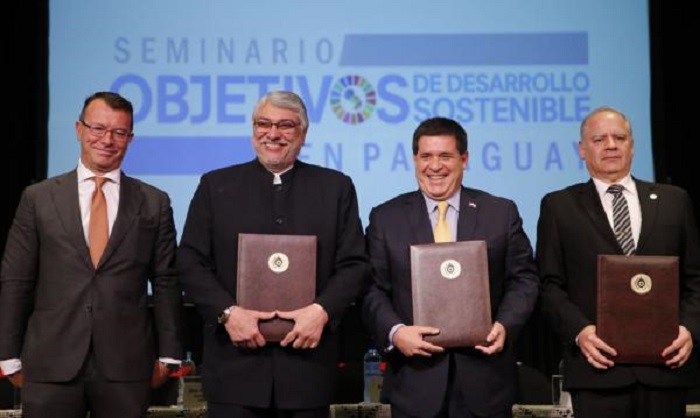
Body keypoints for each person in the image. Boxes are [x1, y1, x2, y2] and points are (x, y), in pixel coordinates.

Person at [177, 90, 369, 418]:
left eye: (285, 125)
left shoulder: (335, 187)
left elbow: (355, 264)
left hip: (308, 370)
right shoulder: (216, 185)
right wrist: (227, 313)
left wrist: (321, 311)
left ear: (303, 133)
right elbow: (190, 261)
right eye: (263, 124)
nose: (273, 134)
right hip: (233, 370)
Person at [0, 91, 183, 417]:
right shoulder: (38, 198)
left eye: (119, 132)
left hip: (127, 366)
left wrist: (169, 356)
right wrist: (8, 356)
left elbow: (166, 281)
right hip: (49, 362)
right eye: (98, 128)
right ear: (79, 129)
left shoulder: (154, 202)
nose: (107, 140)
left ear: (130, 138)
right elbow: (16, 279)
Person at [362, 116, 539, 418]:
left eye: (445, 156)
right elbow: (371, 288)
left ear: (464, 159)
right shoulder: (385, 218)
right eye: (426, 156)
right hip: (414, 384)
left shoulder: (500, 212)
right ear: (415, 160)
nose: (435, 166)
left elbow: (524, 280)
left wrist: (505, 326)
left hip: (487, 382)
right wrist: (396, 332)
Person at [537, 106, 700, 418]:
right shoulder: (559, 206)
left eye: (619, 138)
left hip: (665, 367)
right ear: (582, 150)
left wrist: (689, 328)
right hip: (597, 370)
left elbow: (695, 278)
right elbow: (549, 284)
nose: (611, 145)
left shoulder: (674, 201)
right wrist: (580, 331)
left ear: (632, 146)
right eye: (599, 139)